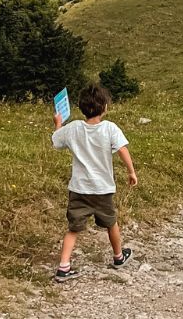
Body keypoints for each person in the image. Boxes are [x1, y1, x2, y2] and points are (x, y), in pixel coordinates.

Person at [50, 83, 138, 283]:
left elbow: (55, 141)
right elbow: (123, 150)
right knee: (111, 222)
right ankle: (118, 256)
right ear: (105, 107)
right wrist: (131, 172)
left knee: (73, 228)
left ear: (80, 107)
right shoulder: (110, 128)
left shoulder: (72, 128)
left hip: (78, 189)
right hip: (102, 189)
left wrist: (58, 122)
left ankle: (63, 267)